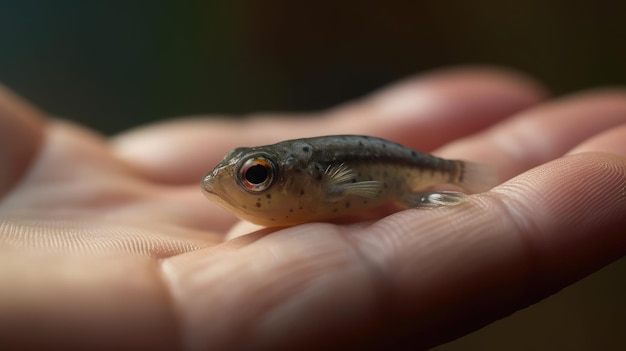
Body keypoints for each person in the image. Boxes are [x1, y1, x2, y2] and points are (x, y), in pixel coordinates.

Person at [0, 67, 625, 350]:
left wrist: (421, 189)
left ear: (298, 179)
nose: (236, 186)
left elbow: (359, 191)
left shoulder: (339, 179)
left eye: (255, 178)